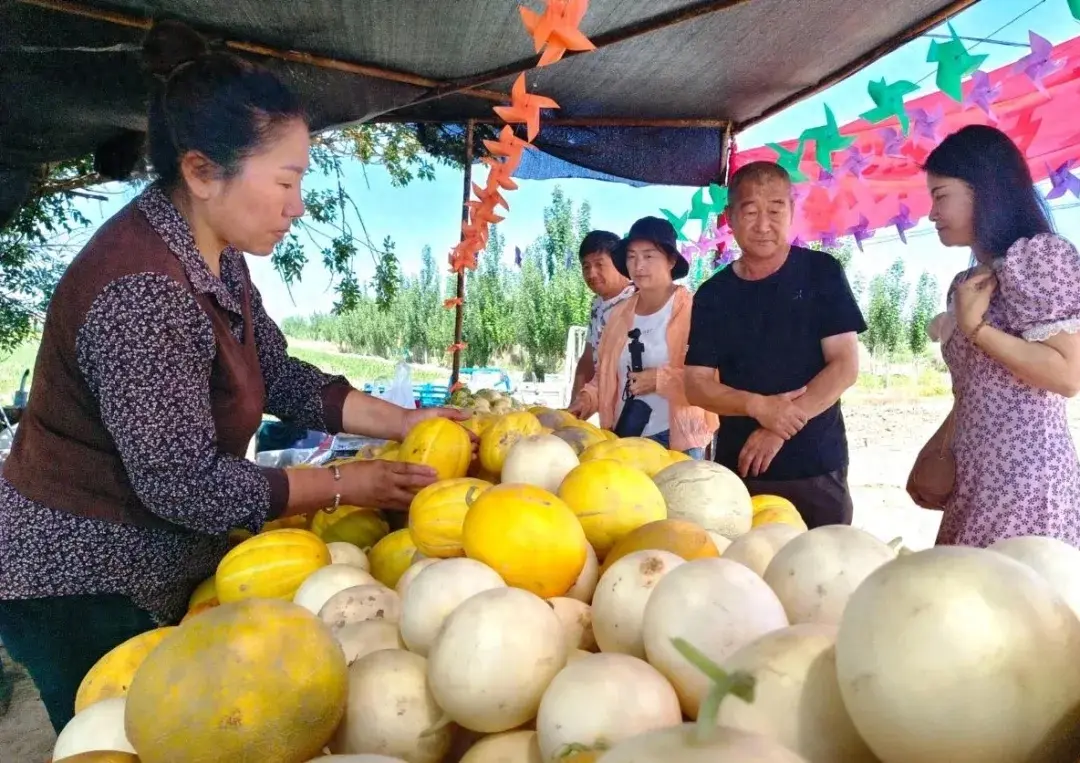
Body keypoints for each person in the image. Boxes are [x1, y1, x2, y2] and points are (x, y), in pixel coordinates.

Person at [0, 20, 464, 733]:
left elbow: (278, 374)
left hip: (152, 562)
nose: (298, 204)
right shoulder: (141, 289)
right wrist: (345, 483)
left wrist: (406, 423)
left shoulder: (216, 254)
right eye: (286, 179)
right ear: (200, 171)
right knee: (125, 737)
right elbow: (183, 481)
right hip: (81, 578)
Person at [907, 124, 1080, 547]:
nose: (931, 214)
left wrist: (977, 331)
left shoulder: (1039, 257)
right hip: (976, 479)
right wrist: (935, 449)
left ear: (984, 191)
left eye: (941, 195)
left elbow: (1067, 375)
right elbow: (975, 391)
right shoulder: (967, 281)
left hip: (1026, 482)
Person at [684, 161, 865, 528]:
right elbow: (696, 384)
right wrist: (758, 406)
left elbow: (844, 366)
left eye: (775, 210)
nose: (763, 225)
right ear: (729, 218)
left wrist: (777, 426)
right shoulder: (713, 295)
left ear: (792, 211)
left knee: (824, 572)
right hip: (741, 469)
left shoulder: (821, 272)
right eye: (749, 212)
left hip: (815, 465)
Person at [568, 217, 716, 457]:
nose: (638, 266)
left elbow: (711, 379)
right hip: (628, 437)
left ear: (671, 260)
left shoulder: (693, 310)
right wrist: (585, 400)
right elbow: (606, 374)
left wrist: (660, 380)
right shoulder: (617, 315)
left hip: (679, 441)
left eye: (648, 256)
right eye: (631, 256)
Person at [571, 231, 634, 400]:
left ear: (619, 264)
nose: (591, 273)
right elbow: (587, 361)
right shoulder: (597, 304)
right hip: (611, 413)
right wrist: (572, 412)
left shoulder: (639, 299)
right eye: (586, 266)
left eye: (599, 264)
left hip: (646, 413)